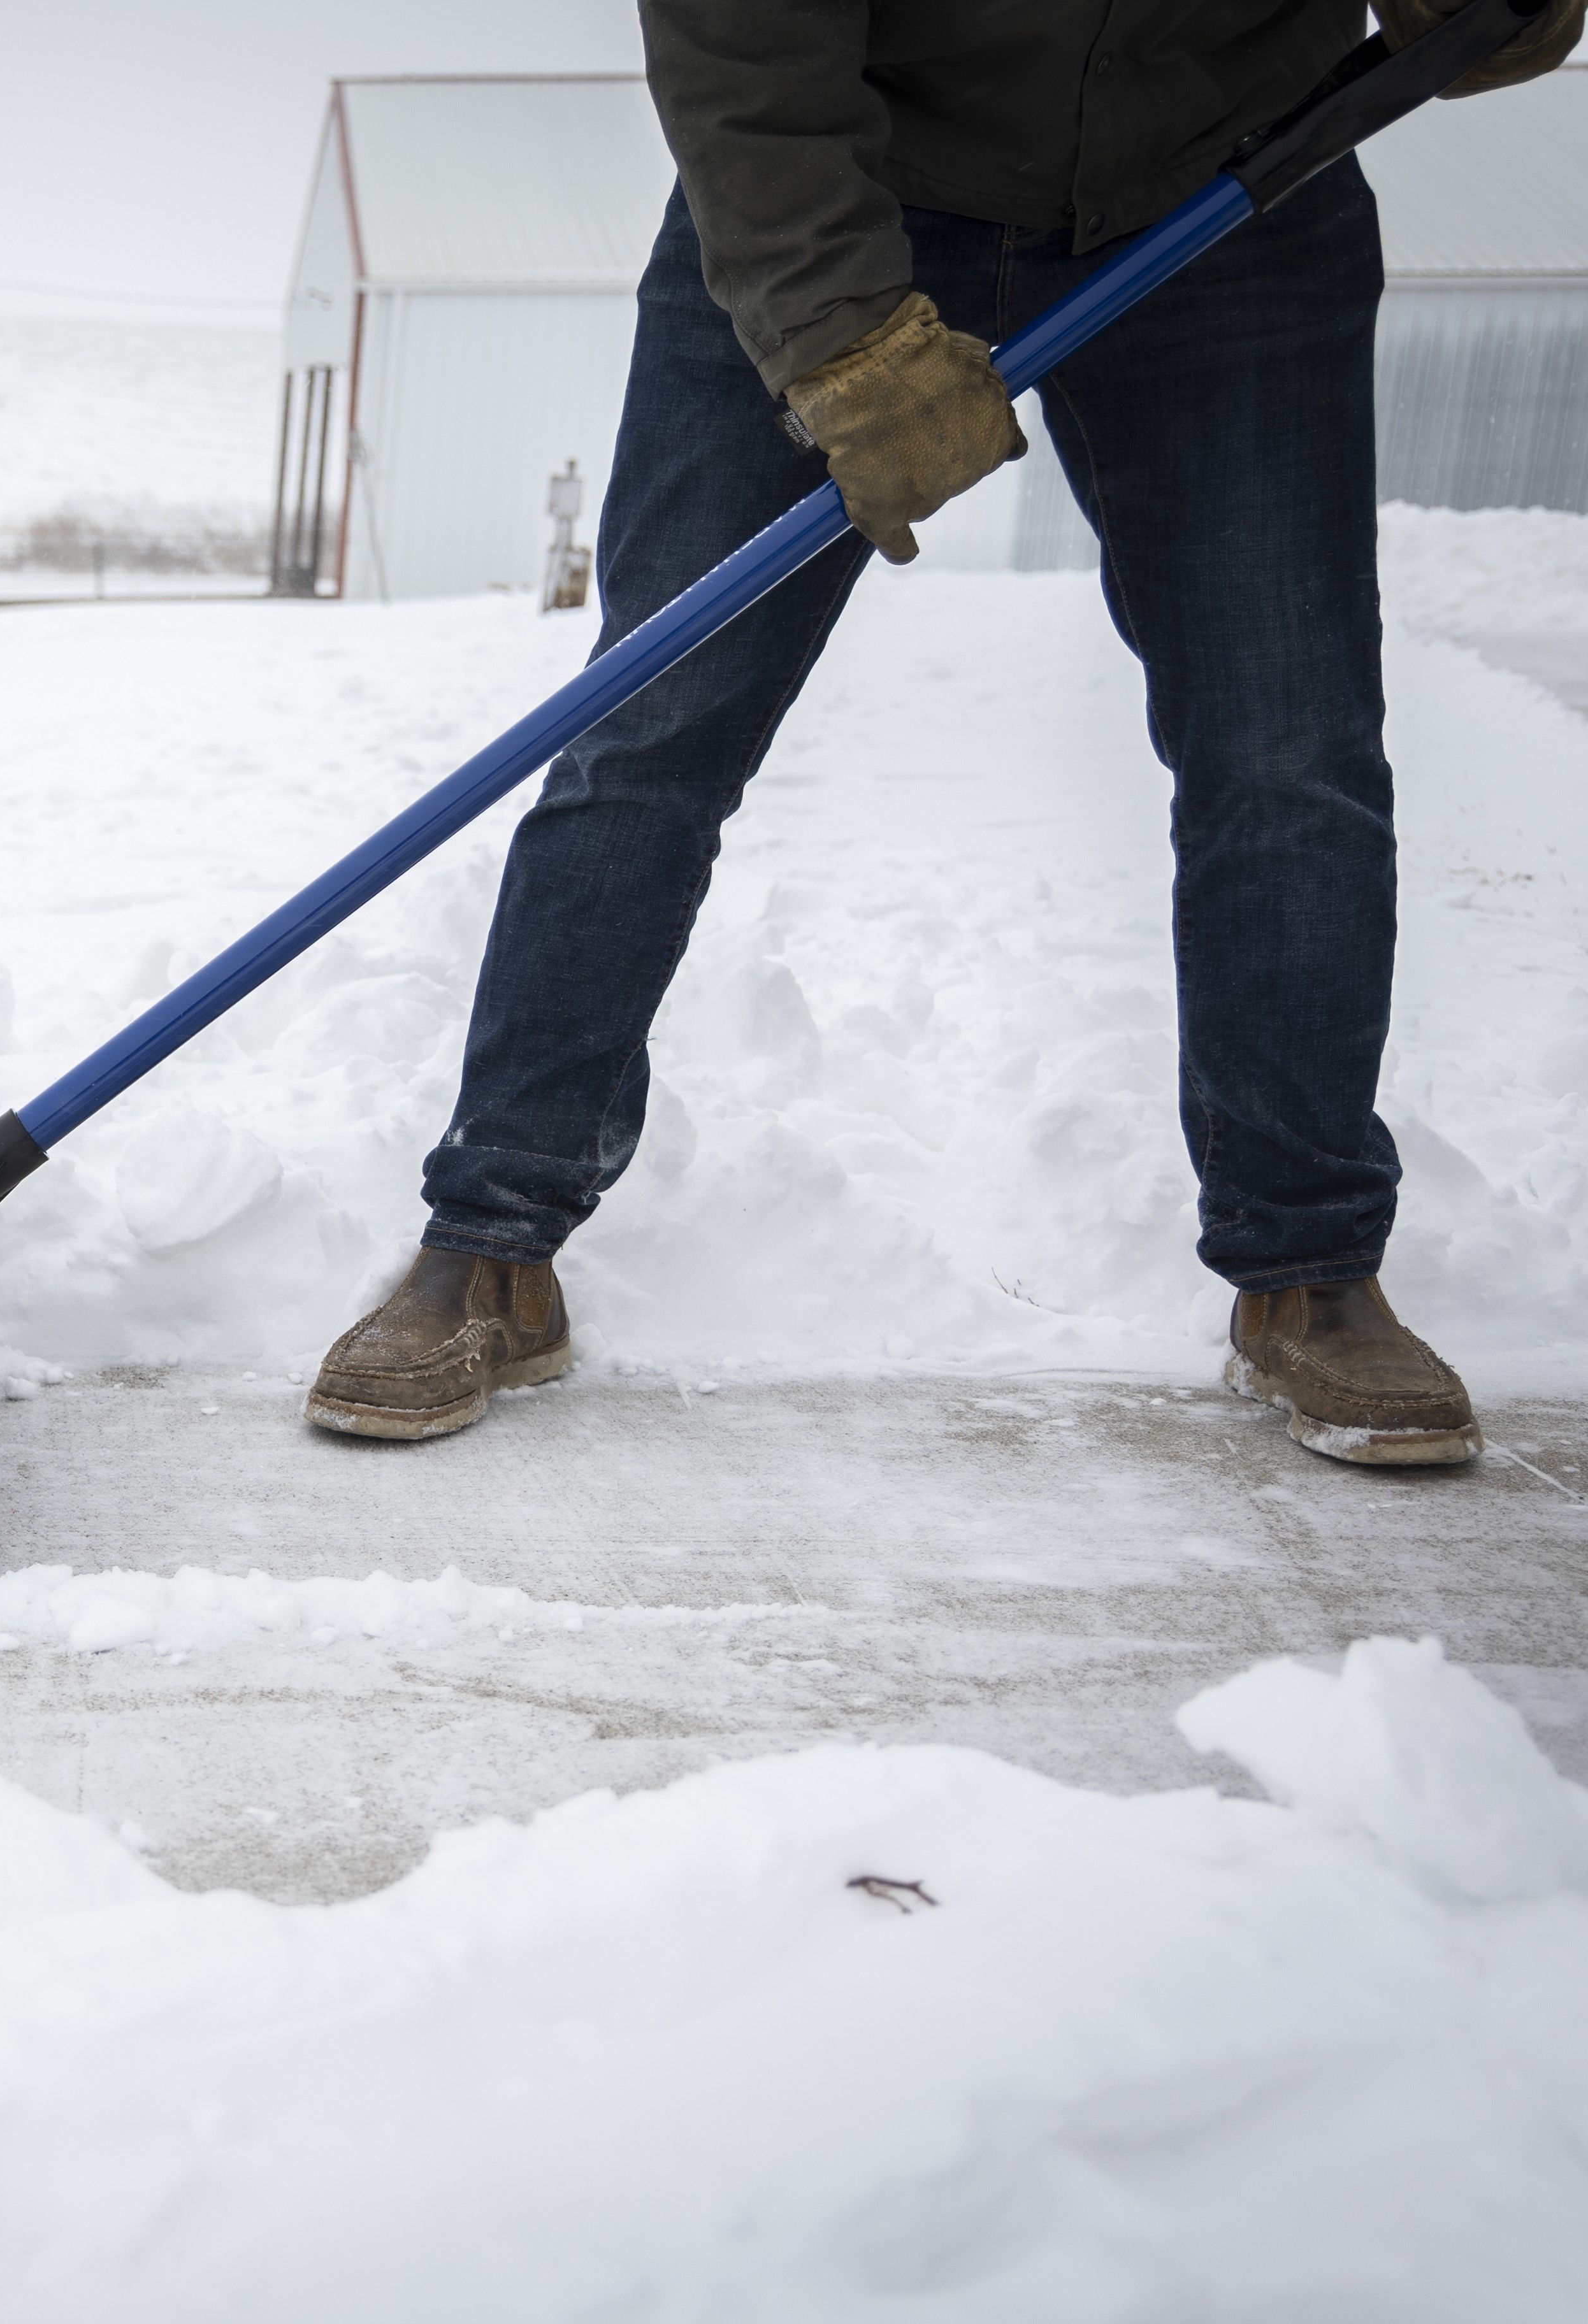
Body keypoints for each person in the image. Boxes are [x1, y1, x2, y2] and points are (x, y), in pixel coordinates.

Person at [303, 0, 1578, 1467]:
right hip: (843, 186)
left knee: (1289, 747)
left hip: (1232, 191)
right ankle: (490, 1245)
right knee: (653, 727)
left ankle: (1313, 1274)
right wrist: (835, 331)